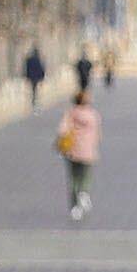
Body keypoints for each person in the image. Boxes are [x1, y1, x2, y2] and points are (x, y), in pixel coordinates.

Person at [53, 87, 100, 222]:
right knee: (86, 175)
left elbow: (62, 131)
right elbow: (98, 134)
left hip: (72, 150)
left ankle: (75, 207)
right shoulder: (93, 115)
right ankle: (84, 193)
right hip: (88, 151)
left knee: (73, 178)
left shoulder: (70, 114)